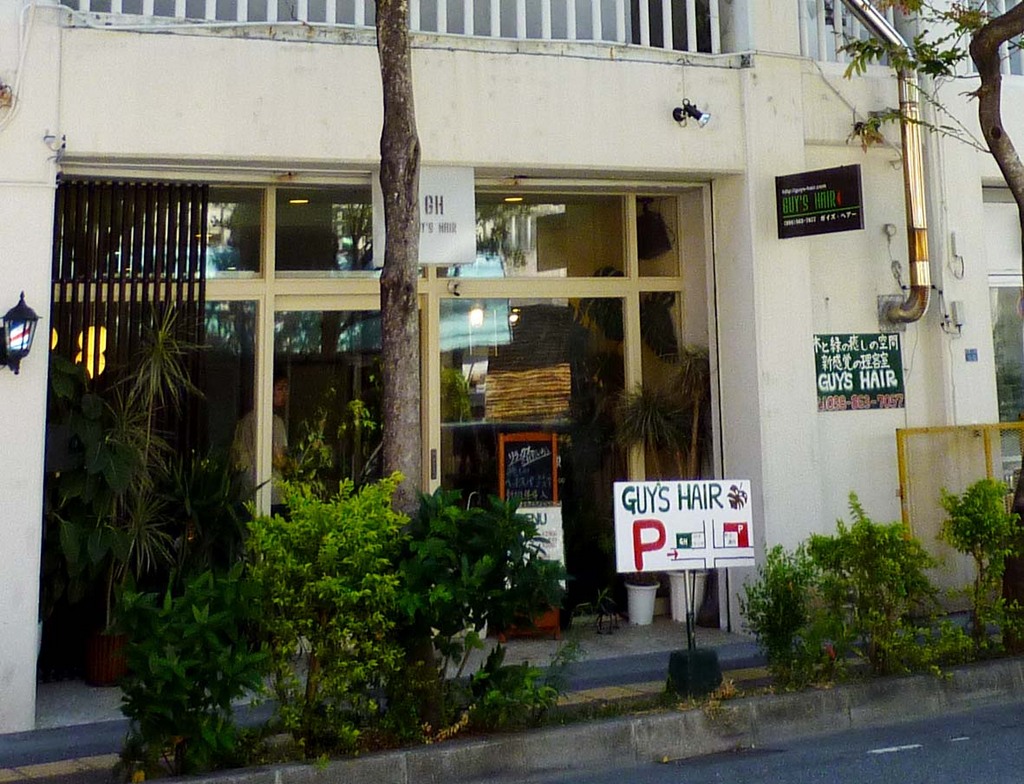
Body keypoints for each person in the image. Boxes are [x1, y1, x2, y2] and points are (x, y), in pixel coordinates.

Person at [232, 371, 290, 515]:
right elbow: (280, 460)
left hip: (246, 489)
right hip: (271, 493)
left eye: (286, 388)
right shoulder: (275, 422)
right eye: (280, 388)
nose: (285, 394)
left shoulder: (246, 420)